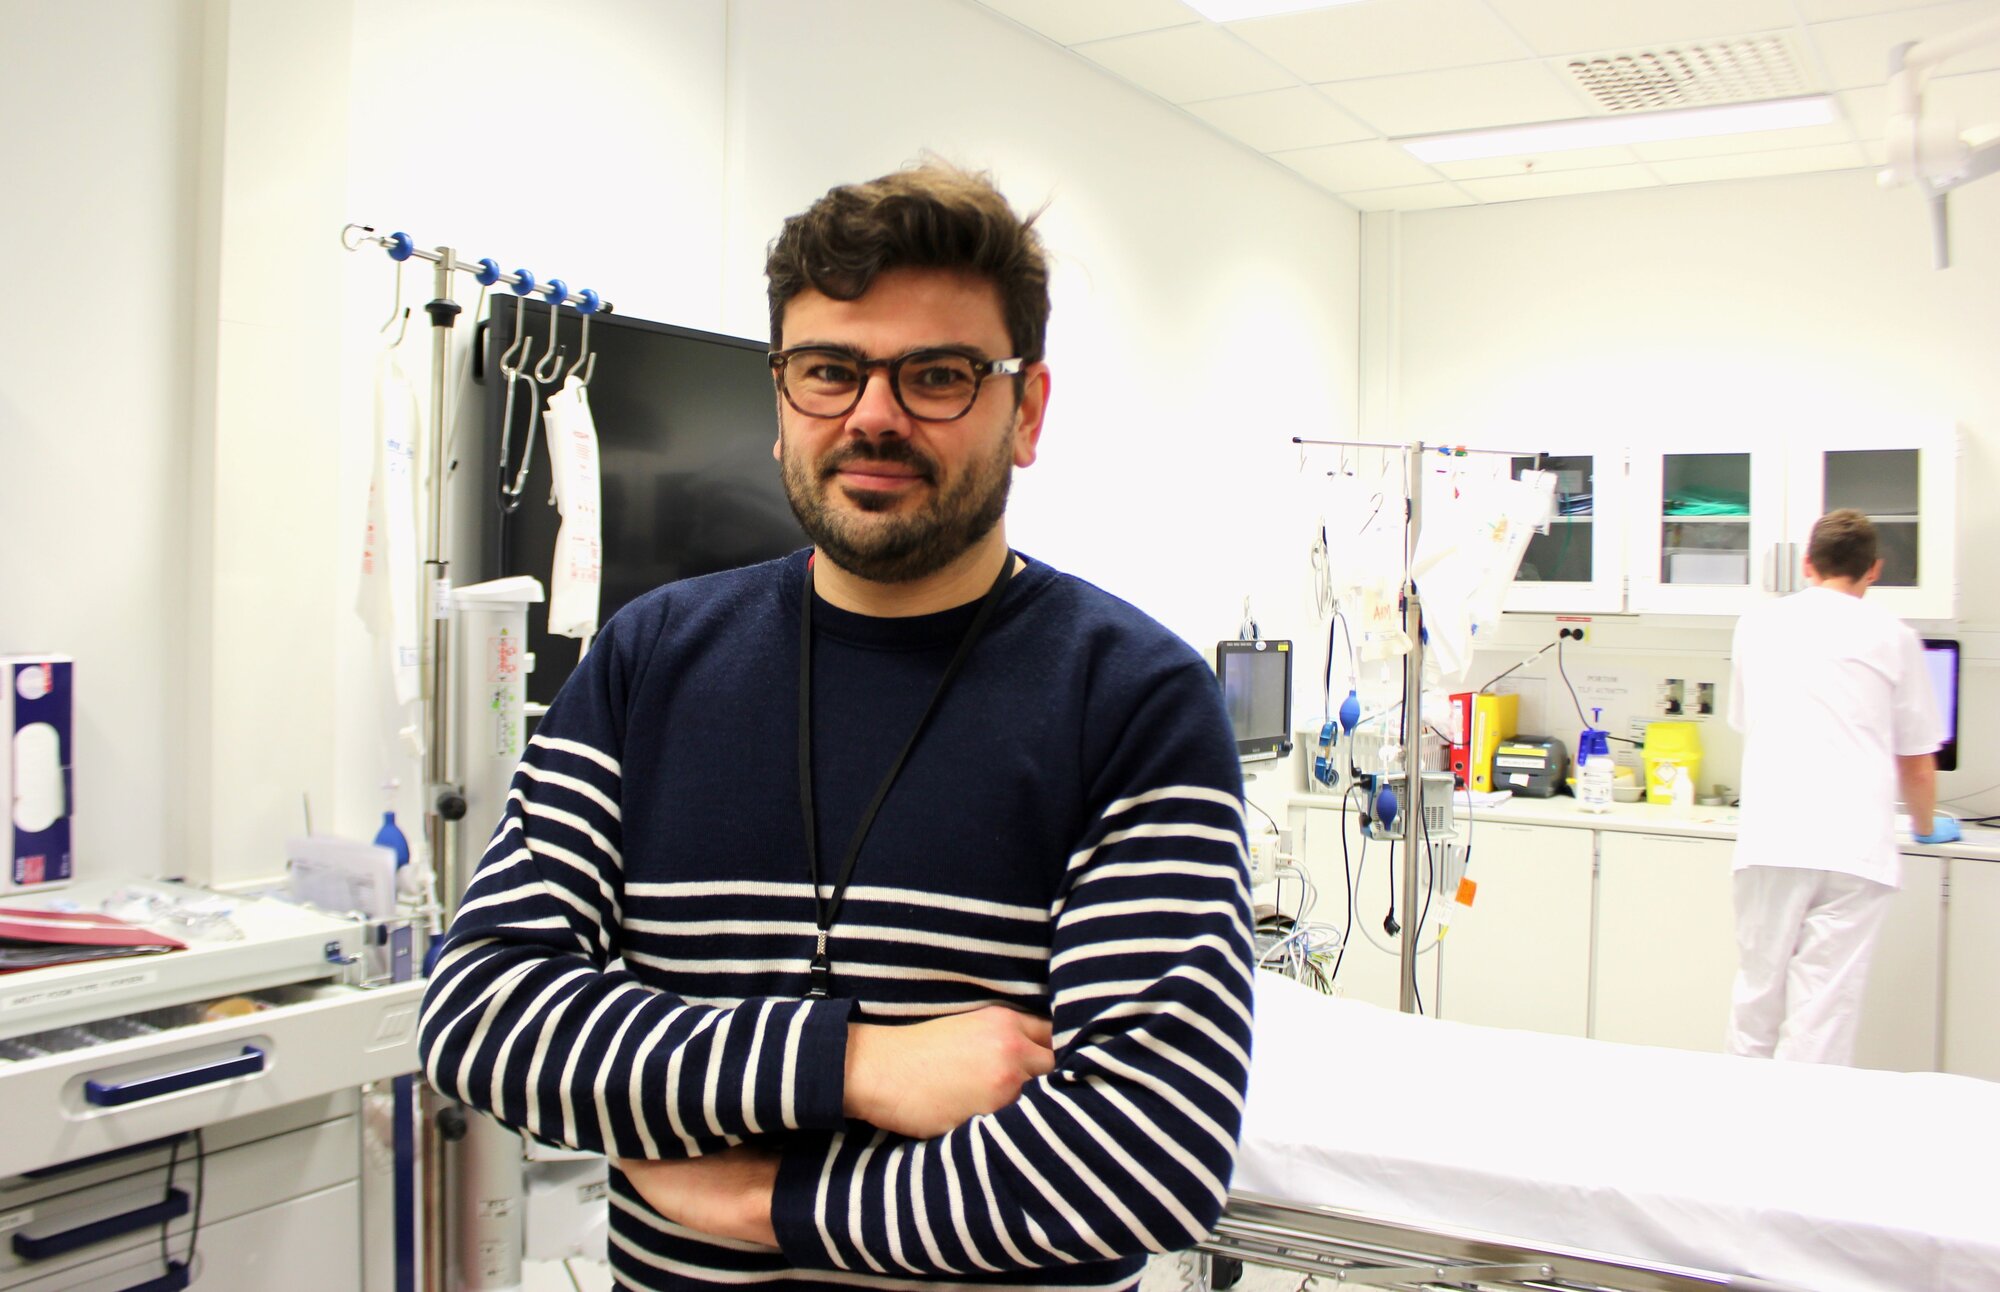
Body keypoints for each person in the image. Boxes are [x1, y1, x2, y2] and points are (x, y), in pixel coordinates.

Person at [418, 161, 1255, 1292]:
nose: (872, 416)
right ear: (781, 401)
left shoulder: (1133, 698)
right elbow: (481, 1013)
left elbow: (1147, 1152)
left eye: (938, 376)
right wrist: (853, 1064)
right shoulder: (648, 659)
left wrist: (767, 1204)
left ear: (1027, 412)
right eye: (828, 371)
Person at [1725, 508, 1954, 1065]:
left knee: (1755, 1002)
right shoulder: (1895, 636)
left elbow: (1746, 720)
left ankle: (1738, 1116)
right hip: (1854, 852)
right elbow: (1917, 763)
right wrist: (1927, 827)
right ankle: (1806, 1122)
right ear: (1873, 569)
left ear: (1807, 563)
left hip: (1771, 840)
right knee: (1820, 1018)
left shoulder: (1756, 625)